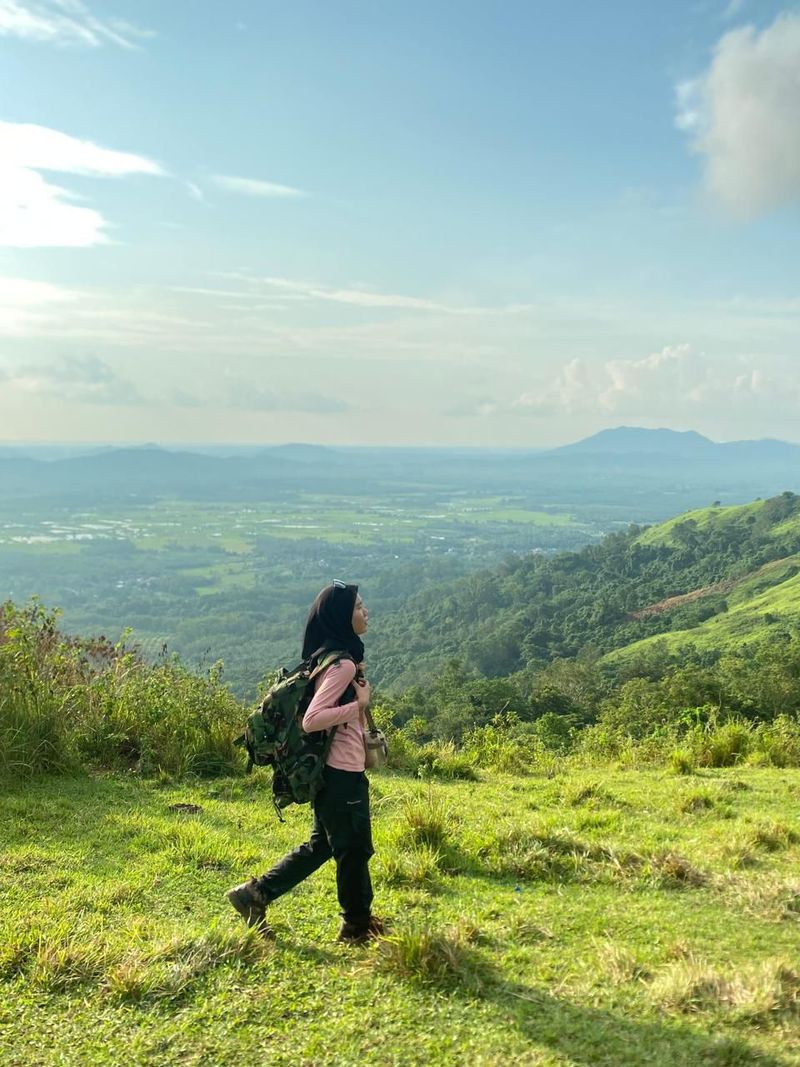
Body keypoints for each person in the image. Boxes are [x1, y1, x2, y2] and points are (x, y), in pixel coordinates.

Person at [226, 581, 384, 944]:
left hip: (332, 768)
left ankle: (253, 896)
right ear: (343, 617)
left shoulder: (331, 655)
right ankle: (357, 926)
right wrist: (358, 705)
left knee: (325, 845)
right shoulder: (341, 664)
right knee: (355, 848)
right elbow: (313, 719)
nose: (365, 612)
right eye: (359, 607)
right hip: (340, 772)